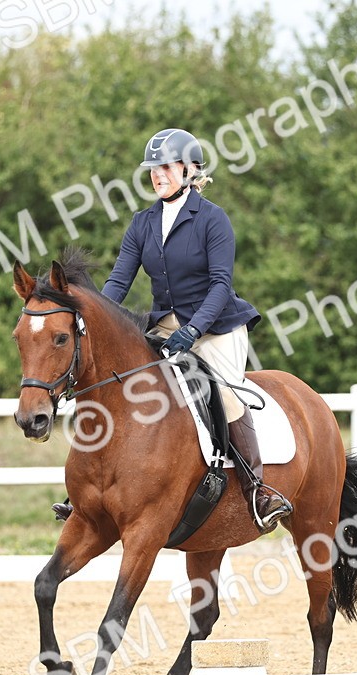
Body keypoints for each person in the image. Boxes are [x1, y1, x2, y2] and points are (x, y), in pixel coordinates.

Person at [53, 127, 293, 534]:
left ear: (190, 169)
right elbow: (117, 283)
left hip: (216, 326)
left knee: (225, 392)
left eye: (166, 166)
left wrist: (195, 328)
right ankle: (91, 489)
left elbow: (220, 284)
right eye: (153, 168)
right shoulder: (143, 222)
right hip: (165, 324)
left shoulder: (212, 219)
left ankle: (258, 488)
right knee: (119, 383)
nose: (158, 174)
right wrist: (96, 317)